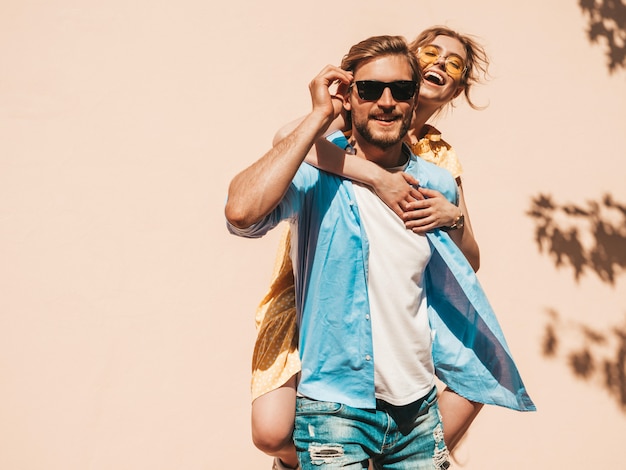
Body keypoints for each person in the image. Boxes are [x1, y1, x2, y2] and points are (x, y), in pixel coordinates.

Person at [226, 34, 535, 470]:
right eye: (371, 90)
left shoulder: (439, 176)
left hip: (417, 411)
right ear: (349, 96)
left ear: (415, 99)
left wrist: (454, 218)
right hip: (335, 407)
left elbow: (464, 265)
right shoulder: (317, 169)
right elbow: (241, 211)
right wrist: (321, 117)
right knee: (271, 431)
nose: (387, 100)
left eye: (401, 90)